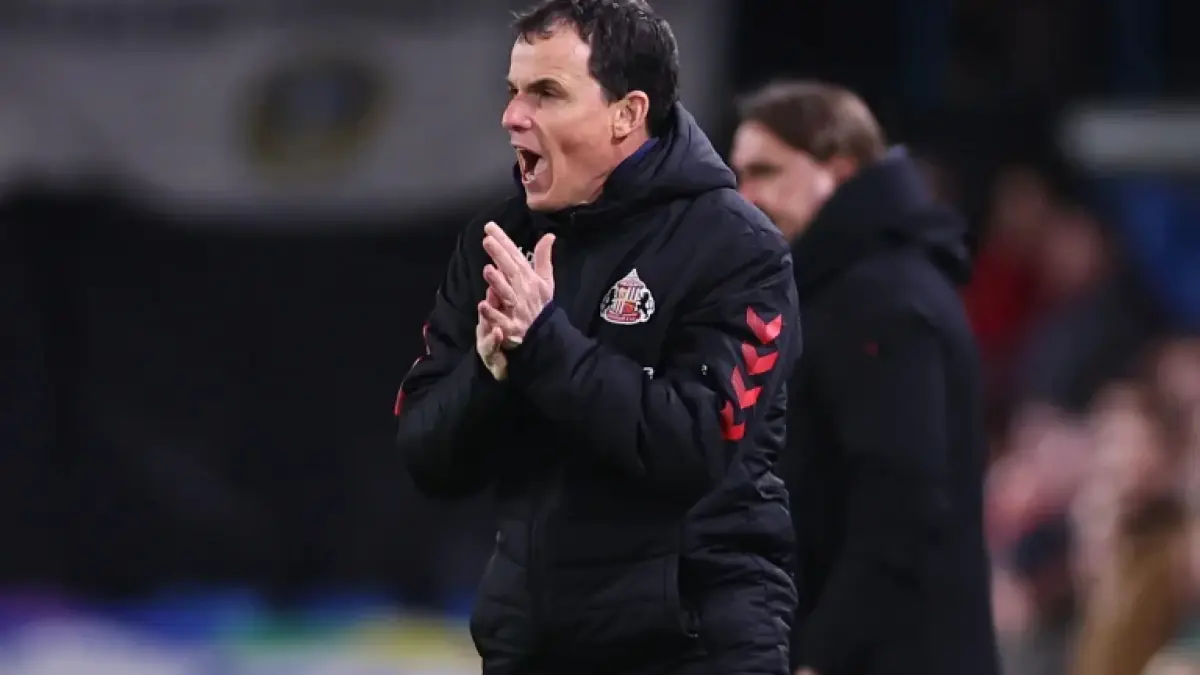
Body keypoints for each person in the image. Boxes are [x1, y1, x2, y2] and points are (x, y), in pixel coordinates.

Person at [395, 3, 800, 674]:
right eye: (513, 91)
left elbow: (696, 443)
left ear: (626, 114)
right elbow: (426, 457)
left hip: (691, 643)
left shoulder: (735, 246)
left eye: (546, 93)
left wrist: (543, 344)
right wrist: (490, 372)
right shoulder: (497, 244)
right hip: (536, 643)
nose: (512, 116)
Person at [731, 80, 999, 675]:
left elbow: (900, 504)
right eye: (740, 176)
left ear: (841, 170)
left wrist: (823, 656)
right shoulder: (850, 289)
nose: (746, 197)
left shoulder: (879, 300)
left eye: (766, 172)